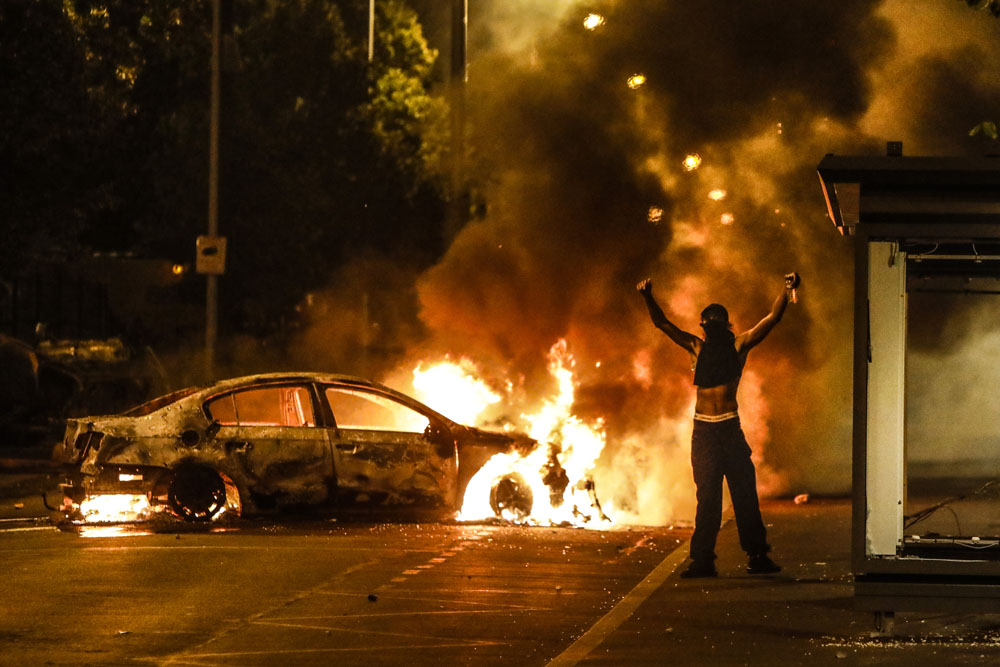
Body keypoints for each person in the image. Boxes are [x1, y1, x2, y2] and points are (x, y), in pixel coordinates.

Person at [636, 273, 800, 578]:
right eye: (708, 323)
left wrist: (787, 289)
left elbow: (772, 317)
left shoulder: (735, 346)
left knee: (742, 495)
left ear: (722, 325)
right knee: (709, 498)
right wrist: (647, 297)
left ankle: (753, 556)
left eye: (713, 322)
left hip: (726, 430)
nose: (710, 327)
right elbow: (663, 324)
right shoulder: (701, 348)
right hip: (706, 433)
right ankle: (704, 560)